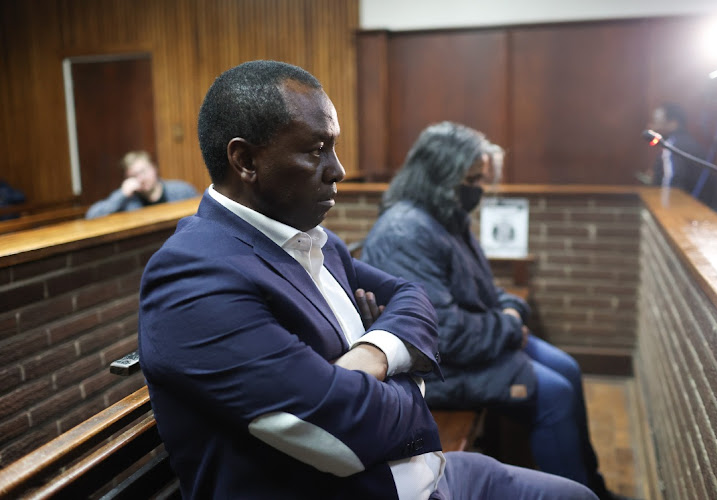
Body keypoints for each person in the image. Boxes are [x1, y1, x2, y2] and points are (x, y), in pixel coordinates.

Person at [138, 60, 596, 499]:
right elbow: (349, 430)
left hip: (426, 473)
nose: (337, 169)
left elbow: (412, 297)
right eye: (317, 150)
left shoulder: (317, 241)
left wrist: (375, 353)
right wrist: (407, 372)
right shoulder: (195, 278)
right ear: (245, 160)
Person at [360, 122, 622, 500]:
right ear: (439, 175)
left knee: (568, 367)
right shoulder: (405, 230)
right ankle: (580, 491)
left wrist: (512, 310)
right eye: (471, 179)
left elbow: (485, 289)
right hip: (437, 369)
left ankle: (594, 486)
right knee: (554, 394)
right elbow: (440, 334)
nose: (478, 190)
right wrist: (511, 326)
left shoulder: (446, 217)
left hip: (477, 344)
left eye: (481, 179)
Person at [646, 102, 717, 210]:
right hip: (702, 209)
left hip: (684, 212)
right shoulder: (687, 141)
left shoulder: (672, 145)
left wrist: (662, 210)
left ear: (673, 122)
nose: (652, 126)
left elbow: (671, 182)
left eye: (657, 121)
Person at [85, 150, 197, 219]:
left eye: (143, 171)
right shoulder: (128, 201)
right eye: (134, 175)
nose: (141, 179)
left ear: (154, 168)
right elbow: (92, 215)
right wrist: (122, 194)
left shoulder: (181, 190)